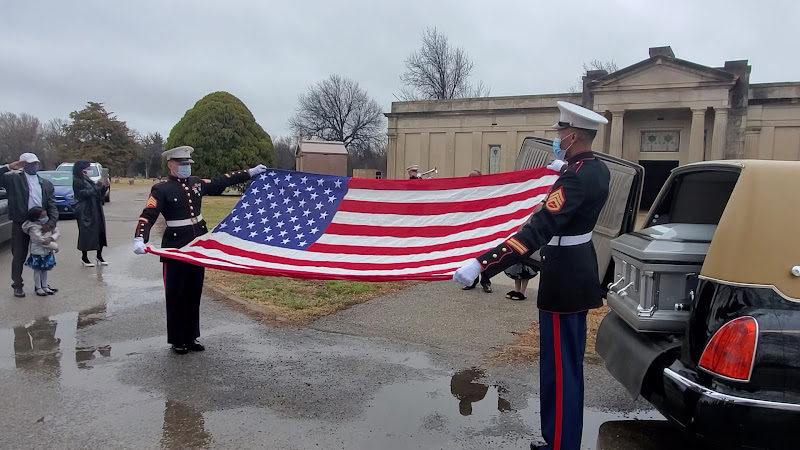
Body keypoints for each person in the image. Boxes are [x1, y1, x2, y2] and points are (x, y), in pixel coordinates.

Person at [453, 101, 610, 450]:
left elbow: (537, 229)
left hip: (564, 279)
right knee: (564, 366)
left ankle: (561, 445)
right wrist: (562, 170)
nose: (557, 137)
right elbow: (576, 195)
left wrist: (482, 264)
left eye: (561, 131)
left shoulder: (575, 177)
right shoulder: (596, 169)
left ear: (573, 135)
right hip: (577, 269)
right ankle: (558, 440)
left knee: (560, 371)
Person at [133, 145, 268, 355]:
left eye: (188, 163)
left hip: (198, 246)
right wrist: (140, 237)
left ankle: (191, 336)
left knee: (193, 292)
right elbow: (149, 214)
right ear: (170, 165)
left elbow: (221, 181)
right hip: (176, 247)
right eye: (181, 164)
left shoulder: (196, 183)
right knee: (176, 294)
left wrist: (249, 172)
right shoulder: (161, 189)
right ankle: (177, 339)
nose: (186, 167)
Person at [0, 153, 59, 298]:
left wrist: (51, 222)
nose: (34, 166)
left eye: (35, 163)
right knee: (19, 255)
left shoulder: (45, 183)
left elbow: (52, 204)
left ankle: (42, 285)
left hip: (41, 223)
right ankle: (17, 285)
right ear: (23, 165)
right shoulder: (13, 179)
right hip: (21, 222)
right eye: (30, 164)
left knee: (43, 253)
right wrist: (8, 167)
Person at [72, 160, 109, 267]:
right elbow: (84, 194)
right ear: (81, 170)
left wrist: (104, 187)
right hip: (85, 210)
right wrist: (98, 185)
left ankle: (99, 255)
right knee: (86, 233)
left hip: (96, 208)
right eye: (88, 168)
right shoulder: (77, 181)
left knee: (100, 231)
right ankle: (84, 257)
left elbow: (98, 194)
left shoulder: (89, 180)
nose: (90, 170)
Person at [462, 169, 493, 293]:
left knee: (485, 256)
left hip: (483, 228)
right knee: (471, 256)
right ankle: (472, 280)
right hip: (470, 229)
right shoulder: (466, 193)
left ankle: (486, 282)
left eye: (475, 178)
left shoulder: (485, 192)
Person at [22, 206, 60, 296]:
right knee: (37, 271)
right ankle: (38, 287)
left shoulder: (47, 224)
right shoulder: (33, 228)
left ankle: (45, 286)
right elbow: (41, 241)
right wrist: (54, 246)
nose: (45, 218)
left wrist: (51, 238)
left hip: (46, 252)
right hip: (37, 252)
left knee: (45, 270)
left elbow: (57, 232)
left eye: (46, 215)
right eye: (43, 216)